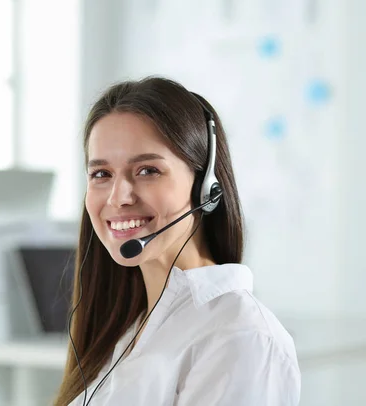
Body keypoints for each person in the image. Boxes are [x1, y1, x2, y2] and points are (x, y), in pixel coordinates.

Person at [54, 77, 301, 406]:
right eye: (101, 174)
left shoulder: (240, 336)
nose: (118, 197)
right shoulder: (132, 327)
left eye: (147, 170)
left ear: (205, 187)